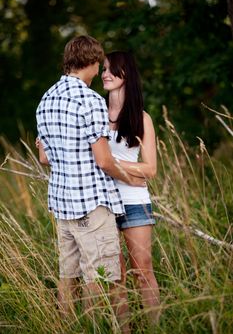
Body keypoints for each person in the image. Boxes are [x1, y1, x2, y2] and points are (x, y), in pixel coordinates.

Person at [36, 36, 144, 332]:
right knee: (103, 277)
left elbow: (45, 158)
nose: (98, 73)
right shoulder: (90, 100)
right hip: (91, 204)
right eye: (99, 66)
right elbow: (104, 161)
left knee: (68, 277)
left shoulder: (46, 99)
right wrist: (130, 176)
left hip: (61, 205)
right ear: (92, 62)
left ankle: (68, 327)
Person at [101, 51, 160, 324]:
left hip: (135, 202)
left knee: (143, 270)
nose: (105, 74)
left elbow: (150, 169)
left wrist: (112, 164)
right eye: (103, 69)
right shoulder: (97, 114)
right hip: (103, 202)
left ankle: (155, 328)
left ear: (127, 75)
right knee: (116, 275)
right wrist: (129, 172)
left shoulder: (141, 117)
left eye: (112, 69)